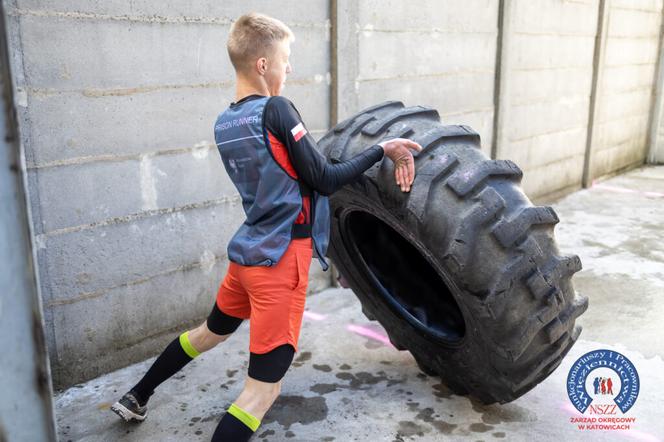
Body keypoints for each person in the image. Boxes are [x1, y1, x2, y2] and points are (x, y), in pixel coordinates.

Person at [110, 11, 421, 441]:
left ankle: (136, 395)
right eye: (285, 58)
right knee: (262, 391)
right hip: (280, 263)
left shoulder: (224, 124)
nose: (288, 68)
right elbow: (325, 178)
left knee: (207, 334)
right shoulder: (276, 109)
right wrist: (381, 149)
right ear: (262, 64)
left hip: (247, 257)